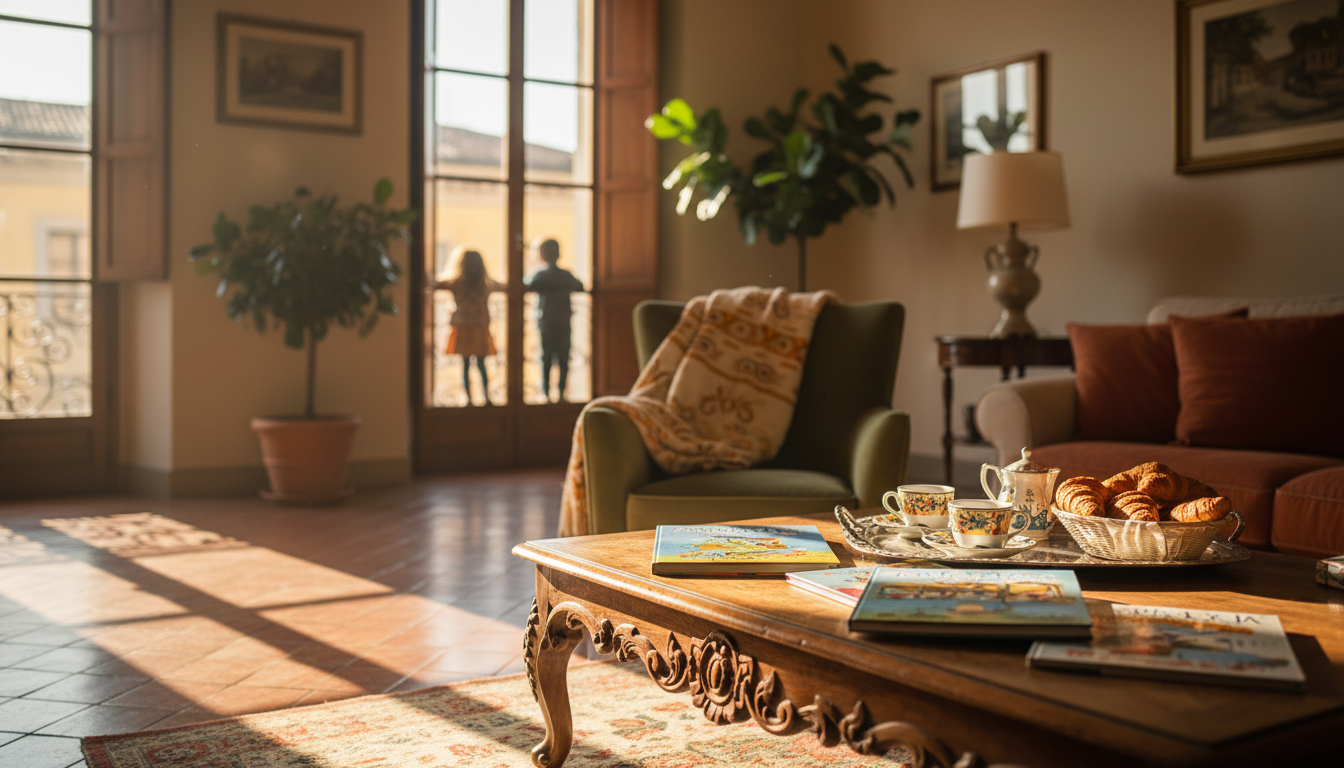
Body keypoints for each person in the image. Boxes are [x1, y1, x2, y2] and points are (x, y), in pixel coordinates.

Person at [437, 245, 505, 406]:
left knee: (465, 364)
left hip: (462, 327)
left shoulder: (456, 282)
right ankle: (487, 397)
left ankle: (468, 399)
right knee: (482, 364)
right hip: (480, 327)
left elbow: (436, 283)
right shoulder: (485, 283)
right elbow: (504, 286)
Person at [523, 238, 585, 402]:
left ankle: (546, 394)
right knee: (563, 358)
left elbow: (526, 285)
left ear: (541, 255)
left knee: (547, 358)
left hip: (547, 322)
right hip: (564, 321)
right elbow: (580, 286)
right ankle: (562, 393)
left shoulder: (540, 275)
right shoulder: (565, 275)